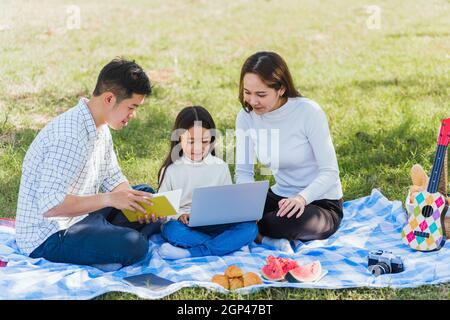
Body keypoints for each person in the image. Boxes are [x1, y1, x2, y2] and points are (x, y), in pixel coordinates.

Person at [16, 58, 163, 271]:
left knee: (144, 196)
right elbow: (51, 206)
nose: (133, 115)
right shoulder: (69, 137)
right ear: (110, 99)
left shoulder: (100, 126)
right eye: (131, 107)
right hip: (49, 236)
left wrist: (133, 200)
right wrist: (111, 199)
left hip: (82, 217)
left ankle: (105, 241)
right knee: (136, 245)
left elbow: (112, 177)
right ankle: (110, 243)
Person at [235, 51, 344, 253]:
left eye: (261, 94)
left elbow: (330, 172)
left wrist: (301, 198)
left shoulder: (309, 113)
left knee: (276, 223)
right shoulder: (246, 117)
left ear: (281, 89)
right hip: (280, 196)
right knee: (227, 214)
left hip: (320, 202)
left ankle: (256, 234)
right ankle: (260, 236)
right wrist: (248, 206)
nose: (252, 101)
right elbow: (243, 172)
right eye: (247, 92)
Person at [157, 106, 258, 259]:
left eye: (204, 141)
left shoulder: (220, 167)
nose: (198, 148)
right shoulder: (171, 170)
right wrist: (179, 215)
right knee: (172, 230)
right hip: (184, 224)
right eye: (191, 142)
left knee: (250, 228)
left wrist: (242, 212)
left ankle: (192, 252)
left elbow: (229, 202)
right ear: (179, 139)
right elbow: (163, 210)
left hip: (215, 223)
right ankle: (228, 246)